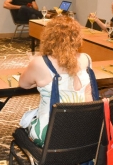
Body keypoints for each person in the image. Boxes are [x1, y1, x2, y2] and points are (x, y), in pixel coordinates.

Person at [19, 16, 93, 148]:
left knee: (25, 120)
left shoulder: (40, 63)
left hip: (51, 135)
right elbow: (89, 96)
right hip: (83, 132)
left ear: (49, 37)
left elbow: (24, 84)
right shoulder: (86, 59)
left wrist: (39, 80)